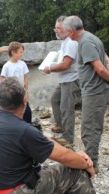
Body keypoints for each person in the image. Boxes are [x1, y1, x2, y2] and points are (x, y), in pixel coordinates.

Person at [0, 77, 97, 194]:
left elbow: (46, 142)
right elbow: (64, 157)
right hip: (21, 192)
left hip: (4, 191)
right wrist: (87, 165)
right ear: (25, 100)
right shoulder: (23, 130)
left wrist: (75, 156)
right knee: (76, 171)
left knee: (58, 173)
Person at [63, 16, 109, 172]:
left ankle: (91, 165)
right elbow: (107, 60)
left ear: (71, 31)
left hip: (94, 92)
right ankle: (90, 161)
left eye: (65, 31)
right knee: (91, 125)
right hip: (94, 90)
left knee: (90, 128)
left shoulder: (86, 42)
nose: (65, 34)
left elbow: (100, 68)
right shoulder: (91, 38)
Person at [43, 16, 81, 146]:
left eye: (59, 28)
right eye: (55, 28)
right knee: (55, 100)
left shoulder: (71, 43)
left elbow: (66, 65)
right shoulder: (64, 41)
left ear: (66, 29)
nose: (56, 31)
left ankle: (68, 138)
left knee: (67, 108)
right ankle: (60, 125)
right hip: (64, 79)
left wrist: (50, 68)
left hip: (71, 80)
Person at [0, 41, 32, 124]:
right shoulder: (6, 66)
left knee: (27, 112)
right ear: (13, 52)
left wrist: (26, 90)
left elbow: (25, 78)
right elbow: (1, 80)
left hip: (22, 92)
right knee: (14, 113)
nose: (21, 54)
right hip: (11, 93)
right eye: (20, 52)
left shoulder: (23, 64)